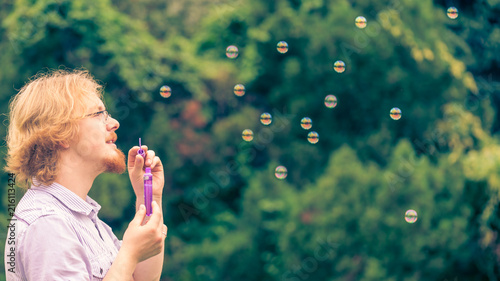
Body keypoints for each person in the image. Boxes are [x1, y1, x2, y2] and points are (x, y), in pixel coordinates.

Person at [3, 69, 167, 280]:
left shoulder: (82, 218)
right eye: (99, 114)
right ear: (60, 132)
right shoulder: (47, 224)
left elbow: (142, 278)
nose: (114, 123)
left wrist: (149, 197)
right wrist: (129, 254)